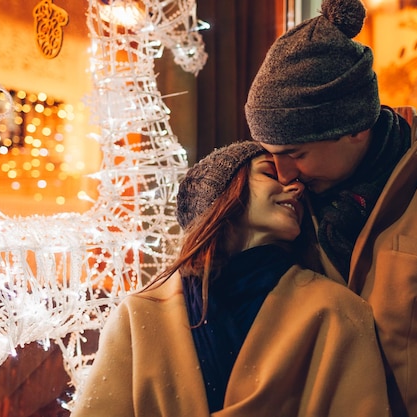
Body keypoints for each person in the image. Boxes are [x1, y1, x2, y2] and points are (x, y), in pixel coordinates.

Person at [243, 0, 417, 416]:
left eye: (296, 153)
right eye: (271, 154)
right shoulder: (281, 205)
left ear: (356, 129)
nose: (283, 173)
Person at [70, 141, 391, 417]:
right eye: (270, 173)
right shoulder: (139, 314)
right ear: (223, 193)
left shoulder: (337, 312)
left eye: (300, 184)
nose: (296, 186)